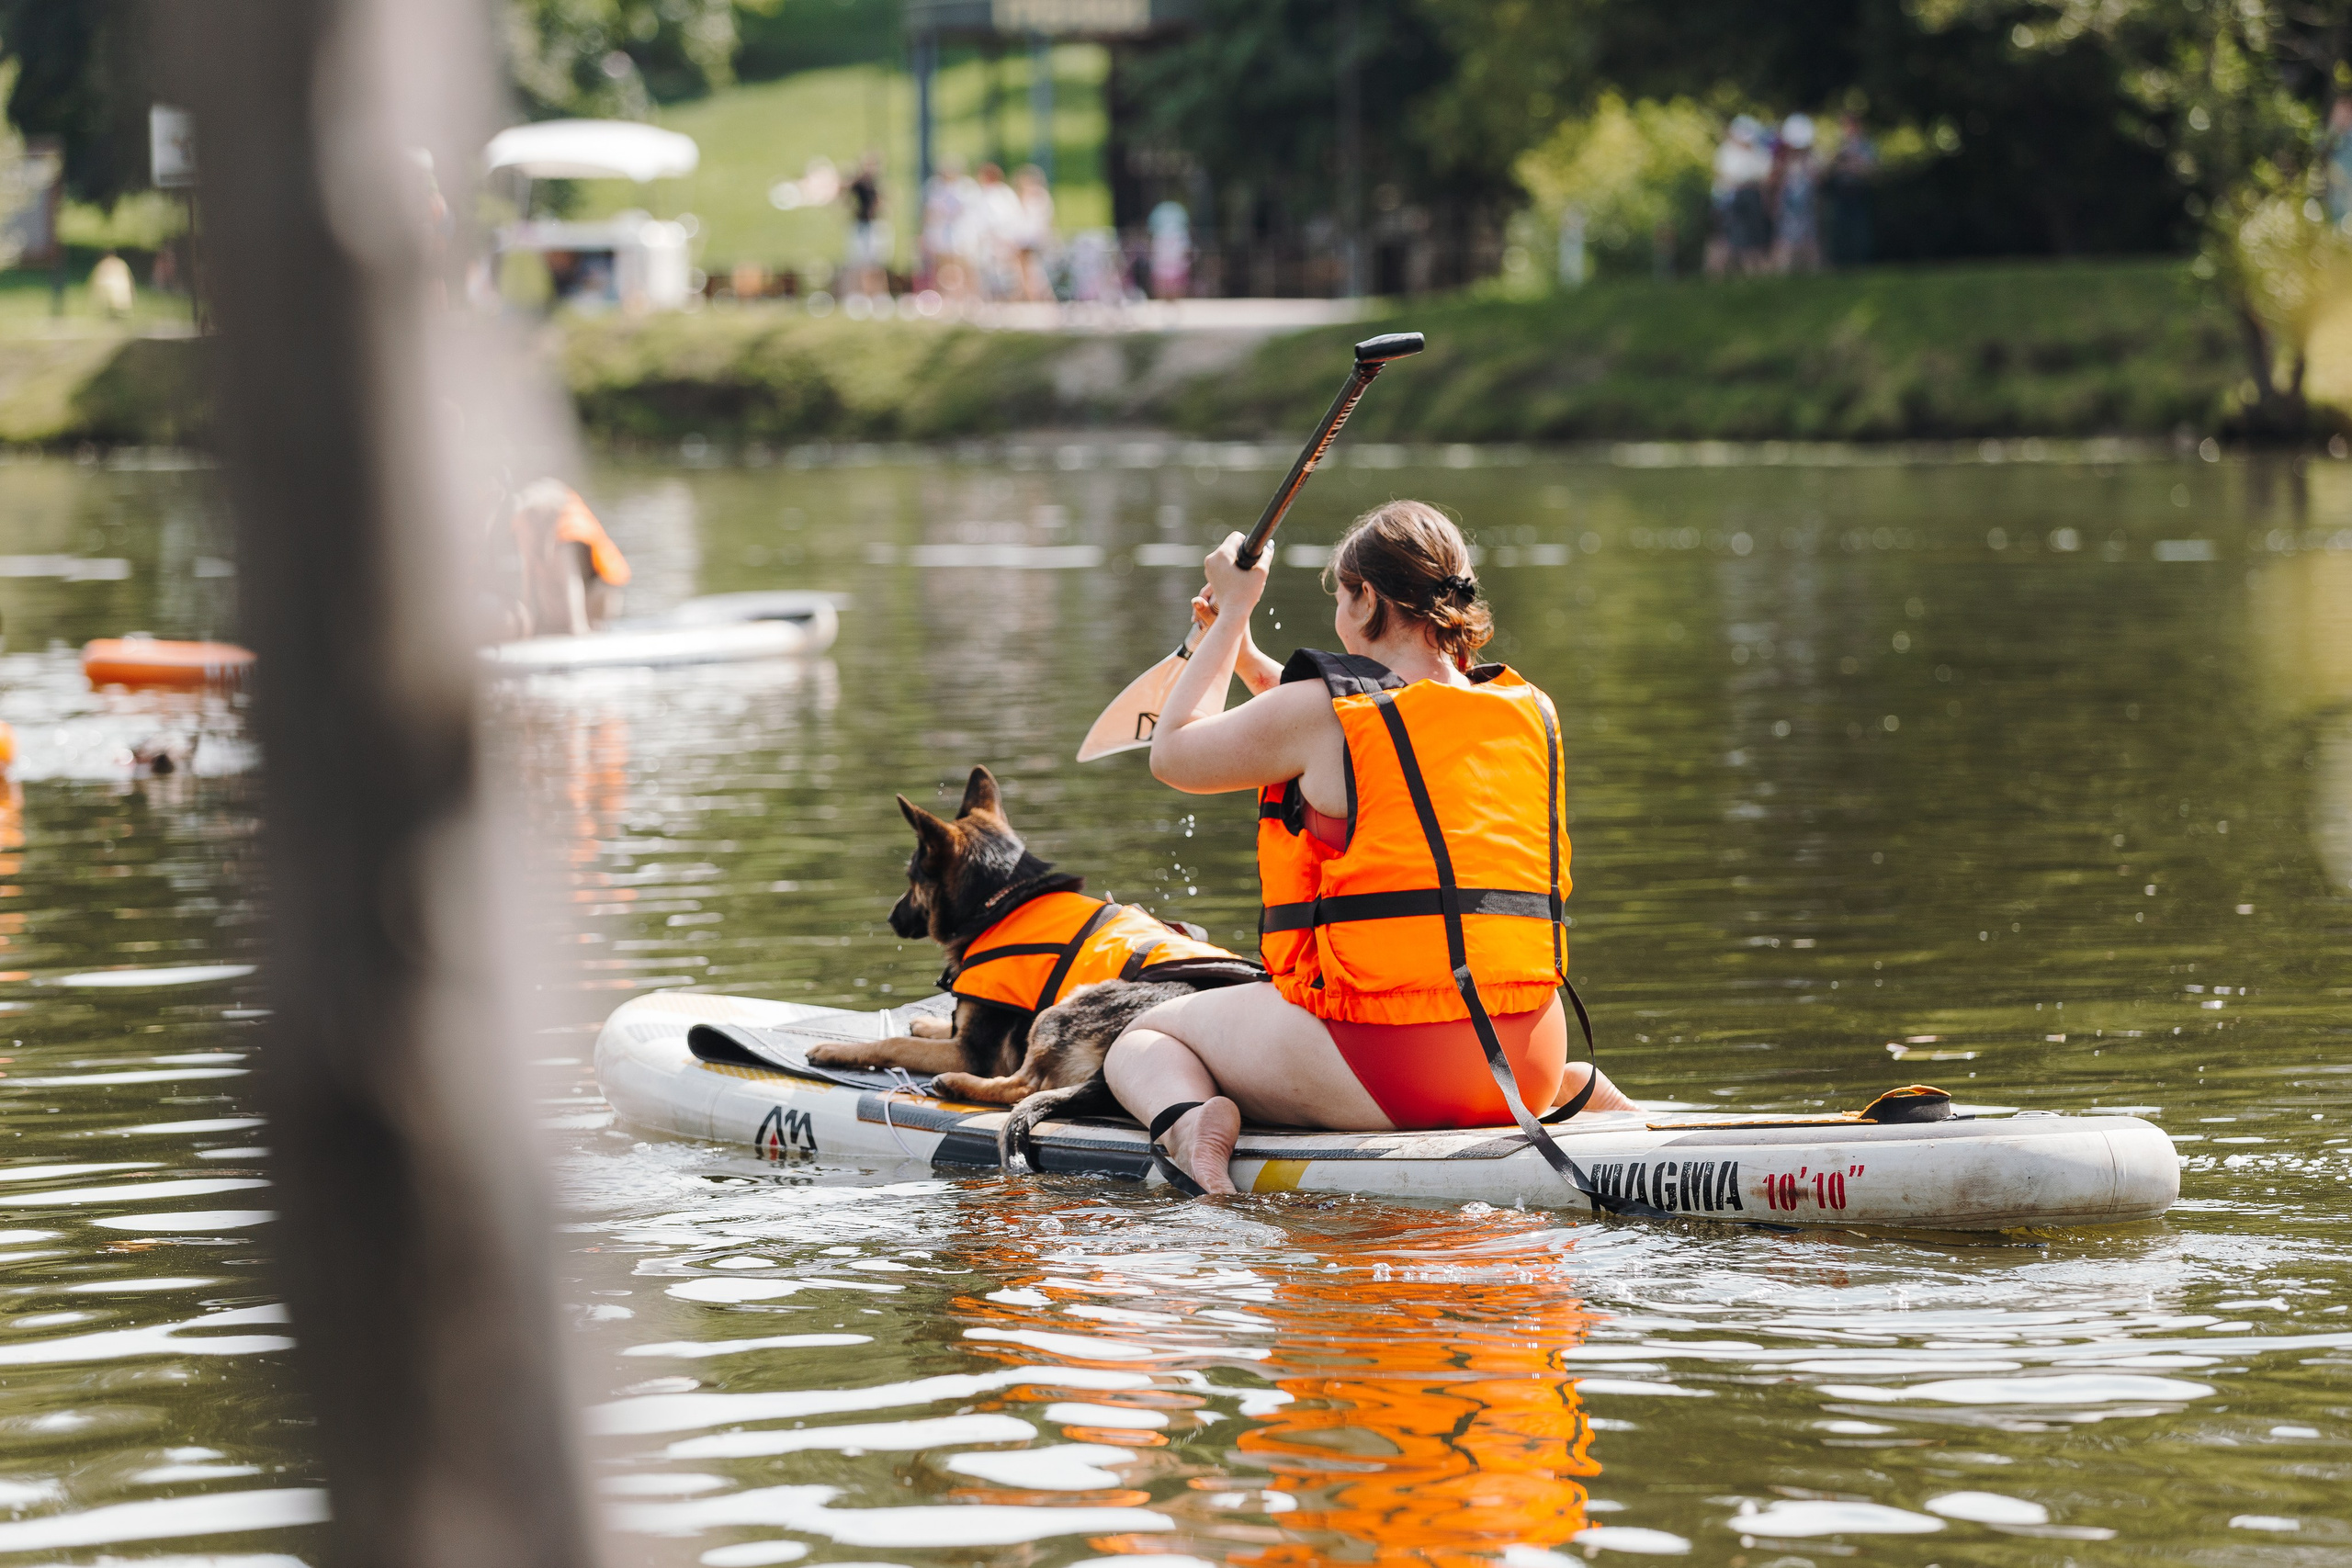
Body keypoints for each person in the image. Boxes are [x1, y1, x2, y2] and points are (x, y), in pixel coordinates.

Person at [1103, 501, 1637, 1194]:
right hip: (1530, 1057)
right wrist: (1235, 651)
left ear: (1368, 600)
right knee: (1501, 1042)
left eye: (1340, 595)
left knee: (1143, 1038)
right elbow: (1337, 725)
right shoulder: (1524, 706)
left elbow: (1173, 752)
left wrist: (1236, 607)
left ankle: (1189, 1124)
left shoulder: (1323, 714)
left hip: (1396, 1067)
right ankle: (1578, 1092)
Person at [506, 478, 630, 637]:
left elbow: (572, 583)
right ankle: (542, 626)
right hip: (557, 601)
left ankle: (582, 626)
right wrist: (525, 621)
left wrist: (577, 627)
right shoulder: (524, 521)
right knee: (545, 589)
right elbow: (527, 575)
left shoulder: (566, 531)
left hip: (595, 595)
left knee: (589, 591)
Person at [1826, 112, 1879, 267]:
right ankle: (1842, 262)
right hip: (1841, 192)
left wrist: (1853, 166)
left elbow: (1871, 169)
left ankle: (1861, 261)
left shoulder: (1866, 145)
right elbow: (1829, 170)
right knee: (1840, 228)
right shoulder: (1839, 146)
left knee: (1860, 229)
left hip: (1858, 192)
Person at [1770, 114, 1821, 274]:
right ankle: (1782, 272)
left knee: (1809, 240)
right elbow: (1773, 183)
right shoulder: (1782, 161)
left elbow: (1818, 179)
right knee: (1785, 241)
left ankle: (1812, 272)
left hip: (1806, 204)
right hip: (1789, 205)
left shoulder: (1810, 159)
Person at [841, 152, 890, 299]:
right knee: (860, 262)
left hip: (875, 225)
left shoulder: (878, 183)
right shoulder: (858, 183)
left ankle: (879, 294)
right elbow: (843, 194)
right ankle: (859, 295)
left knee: (876, 263)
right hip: (861, 225)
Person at [89, 251, 135, 317]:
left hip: (112, 288)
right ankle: (117, 309)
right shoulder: (121, 263)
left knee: (105, 287)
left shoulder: (105, 264)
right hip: (121, 288)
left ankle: (111, 309)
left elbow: (98, 278)